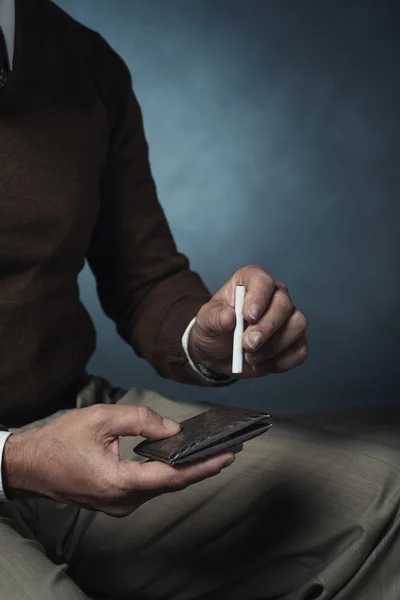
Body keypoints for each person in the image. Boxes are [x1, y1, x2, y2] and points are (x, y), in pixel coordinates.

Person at [1, 1, 400, 599]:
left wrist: (207, 335)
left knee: (385, 496)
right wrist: (13, 459)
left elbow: (143, 277)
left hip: (72, 416)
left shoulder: (82, 57)